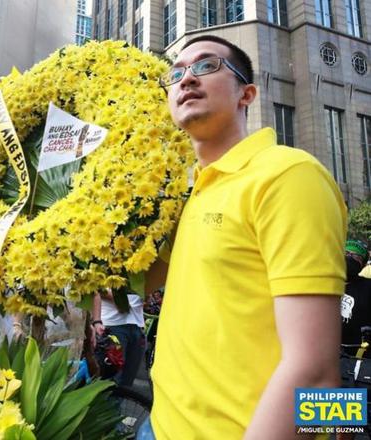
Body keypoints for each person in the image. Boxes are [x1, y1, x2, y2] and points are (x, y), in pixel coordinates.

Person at [146, 35, 346, 439]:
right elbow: (133, 282)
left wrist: (333, 427)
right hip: (158, 425)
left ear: (247, 94)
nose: (186, 79)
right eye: (177, 72)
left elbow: (319, 373)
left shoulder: (288, 174)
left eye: (206, 66)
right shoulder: (187, 195)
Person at [91, 290, 145, 387]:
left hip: (136, 324)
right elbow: (97, 288)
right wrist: (121, 301)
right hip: (112, 325)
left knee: (127, 379)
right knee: (111, 376)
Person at [340, 239, 371, 357]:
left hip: (358, 357)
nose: (349, 257)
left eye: (356, 256)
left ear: (362, 264)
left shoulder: (368, 287)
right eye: (346, 253)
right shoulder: (322, 284)